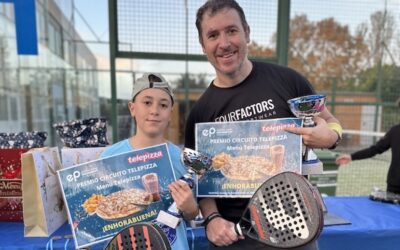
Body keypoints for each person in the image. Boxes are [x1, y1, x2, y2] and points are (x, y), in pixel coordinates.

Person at [184, 1, 342, 249]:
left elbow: (331, 123)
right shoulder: (200, 112)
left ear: (246, 32)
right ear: (203, 45)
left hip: (296, 227)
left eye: (231, 31)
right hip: (236, 237)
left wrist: (331, 136)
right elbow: (201, 178)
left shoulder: (288, 81)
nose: (224, 43)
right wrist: (212, 219)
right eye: (213, 35)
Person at [101, 73, 199, 250]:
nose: (154, 110)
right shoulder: (108, 158)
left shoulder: (183, 159)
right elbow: (101, 212)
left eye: (163, 105)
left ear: (170, 113)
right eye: (147, 103)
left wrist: (191, 207)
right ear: (132, 108)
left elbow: (192, 213)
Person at [335, 124, 400, 195]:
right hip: (394, 184)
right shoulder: (395, 130)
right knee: (390, 206)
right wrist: (352, 156)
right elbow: (375, 149)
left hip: (394, 182)